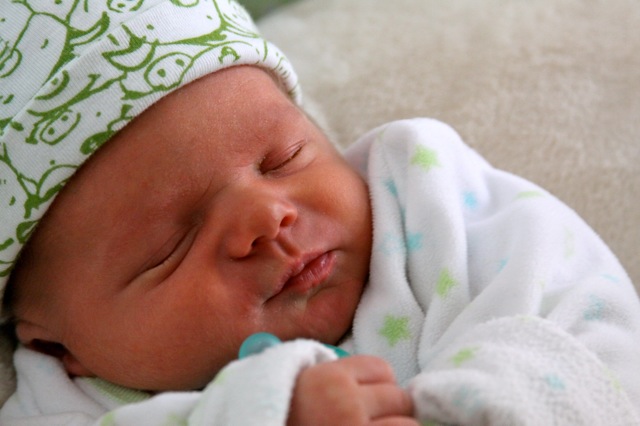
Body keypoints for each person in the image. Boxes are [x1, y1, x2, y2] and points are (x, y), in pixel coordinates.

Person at [1, 0, 639, 424]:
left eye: (282, 158)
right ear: (59, 343)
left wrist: (468, 405)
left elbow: (585, 322)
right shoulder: (67, 406)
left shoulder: (419, 196)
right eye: (170, 246)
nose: (266, 217)